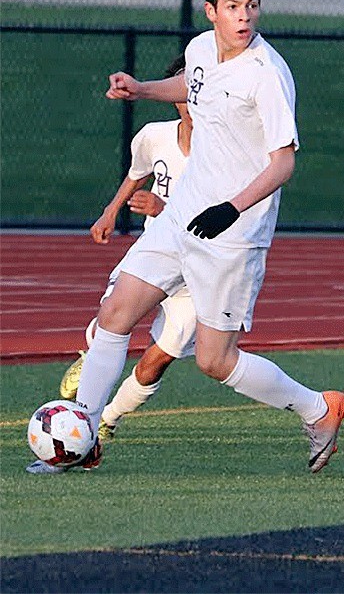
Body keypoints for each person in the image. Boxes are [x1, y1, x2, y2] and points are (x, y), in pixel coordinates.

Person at [75, 0, 344, 475]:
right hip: (181, 215)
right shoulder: (200, 48)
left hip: (233, 233)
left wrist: (232, 207)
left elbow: (284, 163)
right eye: (233, 6)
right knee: (114, 314)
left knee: (214, 360)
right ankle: (82, 435)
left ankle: (319, 408)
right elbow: (192, 88)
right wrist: (144, 89)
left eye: (251, 6)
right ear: (210, 11)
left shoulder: (267, 75)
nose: (244, 17)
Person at [26, 55, 197, 474]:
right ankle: (85, 437)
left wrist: (165, 205)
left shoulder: (227, 148)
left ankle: (106, 420)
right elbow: (136, 174)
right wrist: (111, 211)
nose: (188, 95)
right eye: (181, 85)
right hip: (158, 249)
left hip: (204, 266)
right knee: (111, 318)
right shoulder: (154, 137)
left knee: (161, 359)